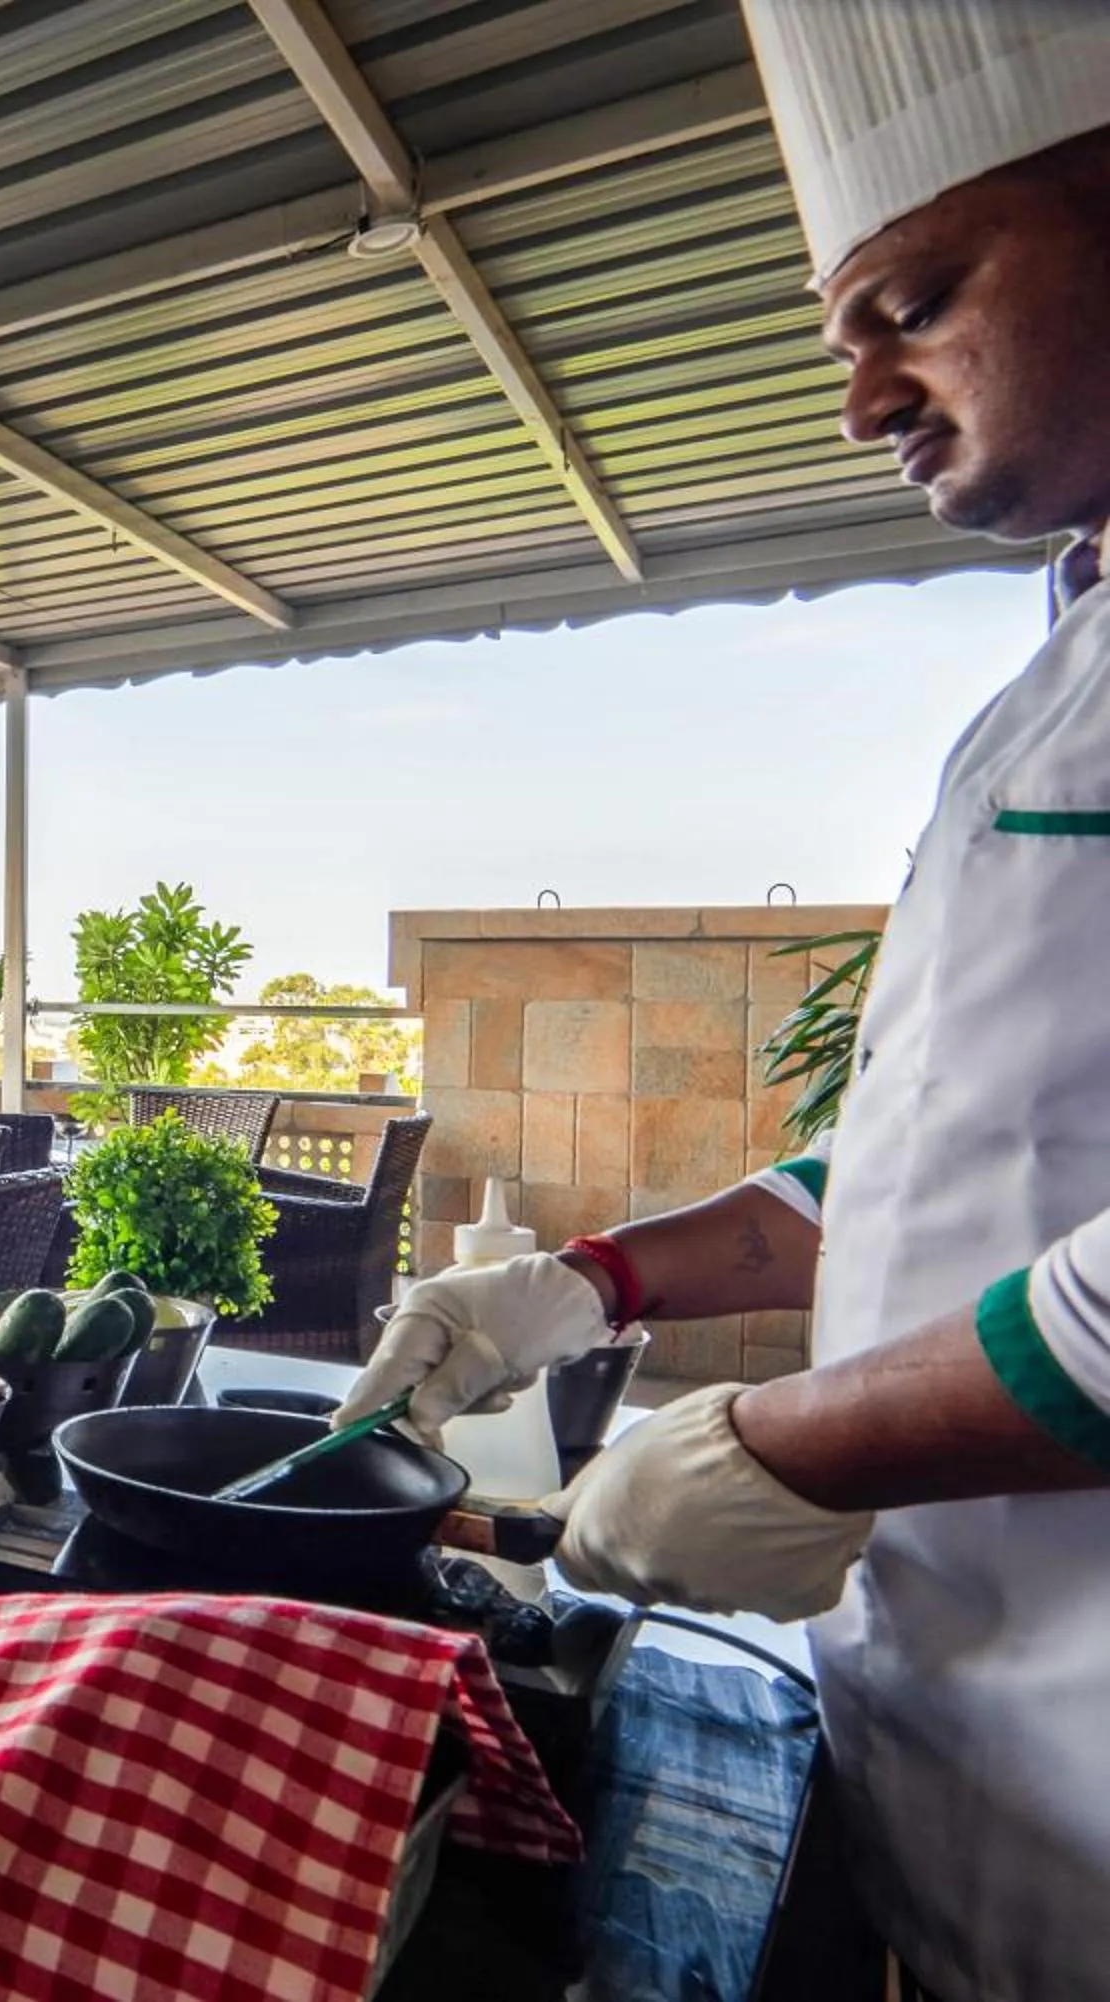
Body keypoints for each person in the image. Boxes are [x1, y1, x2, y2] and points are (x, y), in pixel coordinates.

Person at [338, 5, 1110, 1994]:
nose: (861, 399)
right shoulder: (1064, 666)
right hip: (970, 1779)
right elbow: (952, 1152)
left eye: (916, 304)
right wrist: (590, 1279)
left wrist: (794, 1442)